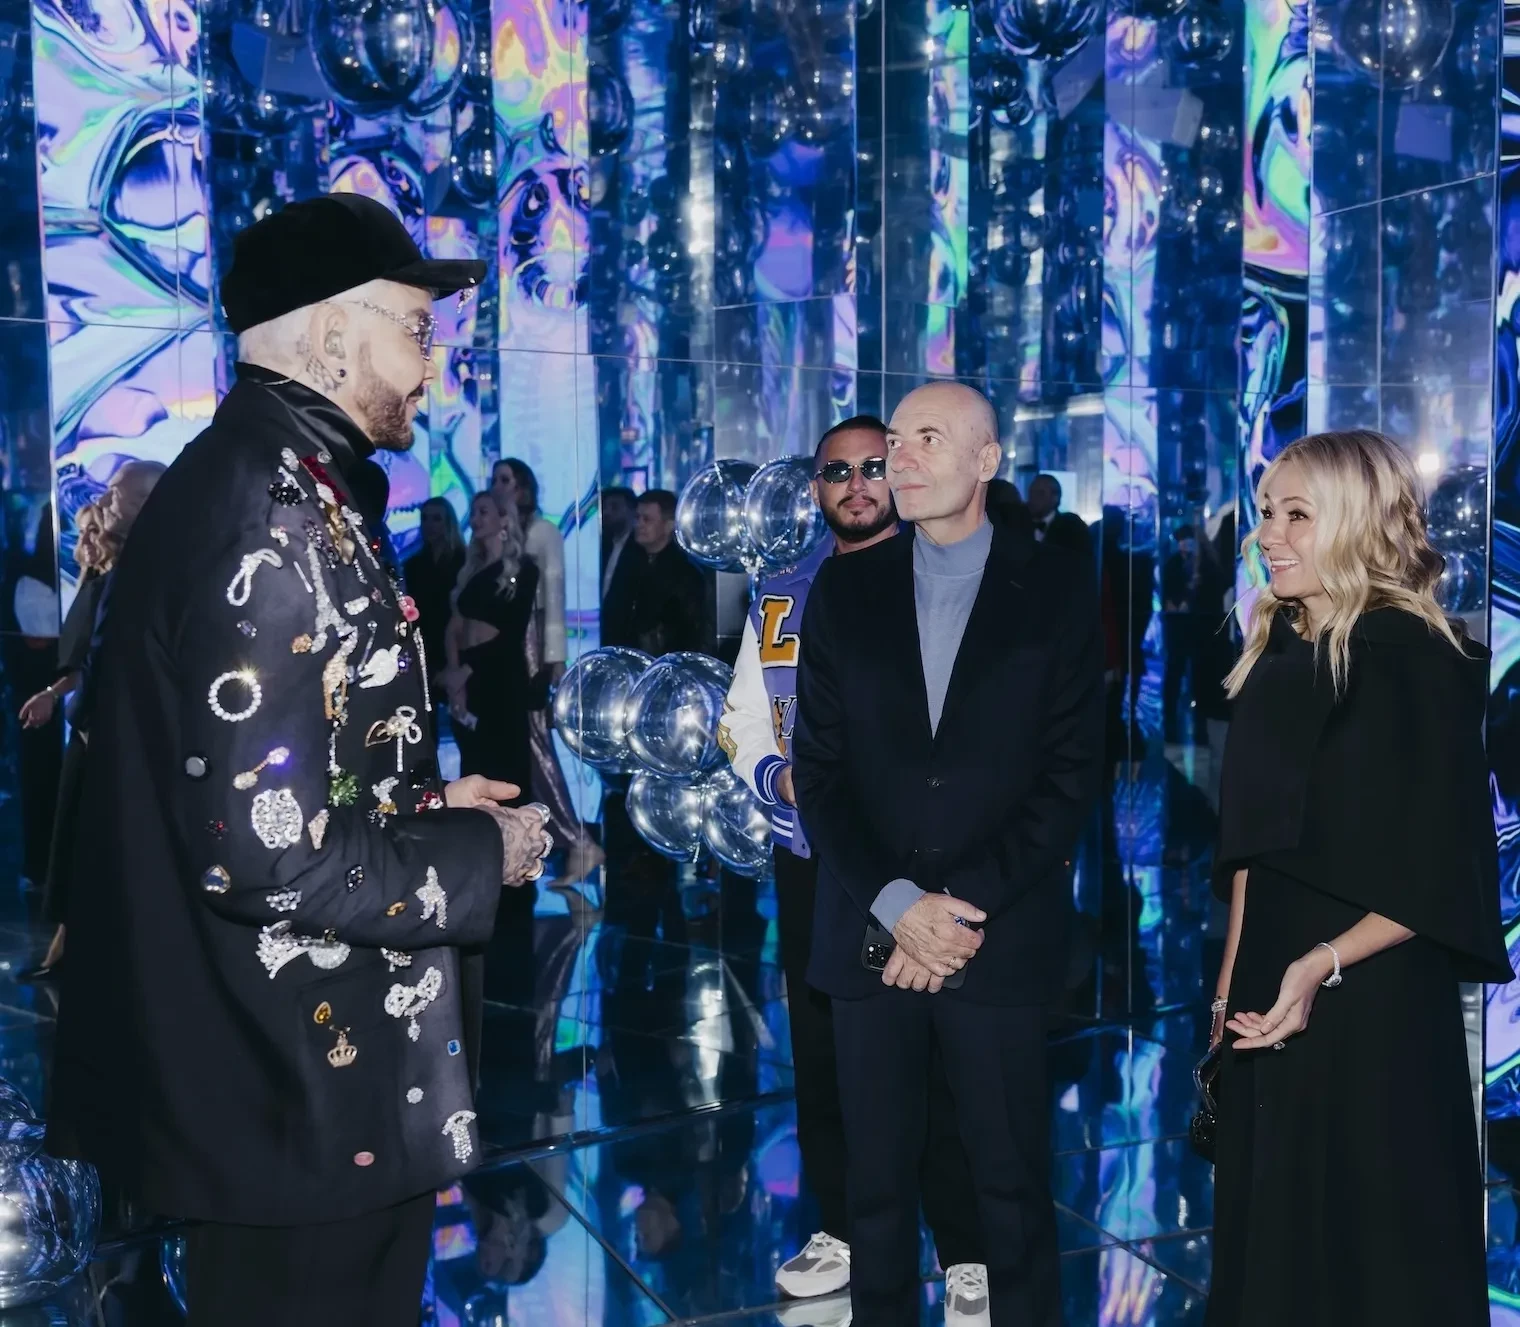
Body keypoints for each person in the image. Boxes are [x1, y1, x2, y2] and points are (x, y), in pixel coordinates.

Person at [45, 193, 554, 1327]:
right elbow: (266, 858)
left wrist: (425, 797)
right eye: (415, 331)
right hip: (290, 1092)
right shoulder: (264, 514)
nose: (433, 367)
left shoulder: (281, 479)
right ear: (331, 335)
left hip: (307, 1086)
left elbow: (274, 772)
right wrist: (484, 850)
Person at [793, 382, 1103, 1327]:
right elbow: (820, 772)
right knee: (877, 1194)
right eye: (895, 439)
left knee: (1010, 1190)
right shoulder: (845, 587)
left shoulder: (1056, 587)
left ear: (987, 460)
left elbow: (1070, 777)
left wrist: (954, 910)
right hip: (870, 934)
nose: (901, 457)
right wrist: (899, 905)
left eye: (928, 438)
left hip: (995, 936)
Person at [1207, 430, 1511, 1327]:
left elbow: (1443, 864)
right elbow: (1252, 847)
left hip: (1374, 993)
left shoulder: (1418, 658)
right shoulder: (1278, 646)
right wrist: (1230, 981)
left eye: (1298, 515)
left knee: (1370, 1241)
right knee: (1276, 1236)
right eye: (1268, 511)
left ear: (1356, 523)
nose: (1269, 534)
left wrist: (1321, 964)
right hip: (1271, 983)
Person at [719, 416, 988, 1324]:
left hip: (933, 862)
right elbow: (741, 718)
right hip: (817, 860)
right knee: (825, 1053)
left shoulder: (947, 578)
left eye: (876, 466)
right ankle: (839, 1228)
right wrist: (781, 778)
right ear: (816, 489)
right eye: (839, 471)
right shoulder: (781, 595)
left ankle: (964, 1245)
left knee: (942, 1052)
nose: (860, 483)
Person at [492, 458, 604, 884]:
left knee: (536, 742)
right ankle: (558, 840)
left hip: (533, 642)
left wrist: (553, 658)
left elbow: (554, 597)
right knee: (524, 745)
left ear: (523, 487)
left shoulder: (543, 532)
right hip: (509, 642)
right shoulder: (505, 531)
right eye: (496, 480)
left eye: (506, 480)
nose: (499, 487)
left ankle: (576, 839)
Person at [443, 491, 539, 793]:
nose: (475, 519)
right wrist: (455, 675)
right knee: (473, 764)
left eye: (483, 512)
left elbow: (512, 633)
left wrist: (465, 671)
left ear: (504, 519)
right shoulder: (470, 569)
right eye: (473, 512)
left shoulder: (524, 570)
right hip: (469, 680)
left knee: (504, 767)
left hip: (501, 677)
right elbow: (453, 628)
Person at [601, 489, 708, 655]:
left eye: (647, 519)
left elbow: (691, 633)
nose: (639, 525)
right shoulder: (630, 563)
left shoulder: (684, 573)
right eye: (637, 518)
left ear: (669, 525)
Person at [403, 496, 465, 687]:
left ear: (448, 523)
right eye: (425, 518)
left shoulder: (464, 562)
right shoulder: (413, 565)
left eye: (436, 519)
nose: (429, 525)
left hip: (457, 647)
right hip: (425, 648)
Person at [1026, 472, 1089, 556]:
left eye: (1040, 494)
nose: (1033, 498)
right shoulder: (1019, 522)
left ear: (1055, 498)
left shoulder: (1071, 526)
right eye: (1031, 492)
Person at [601, 484, 637, 598]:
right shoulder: (602, 545)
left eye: (614, 507)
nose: (606, 513)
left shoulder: (640, 547)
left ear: (632, 511)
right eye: (604, 508)